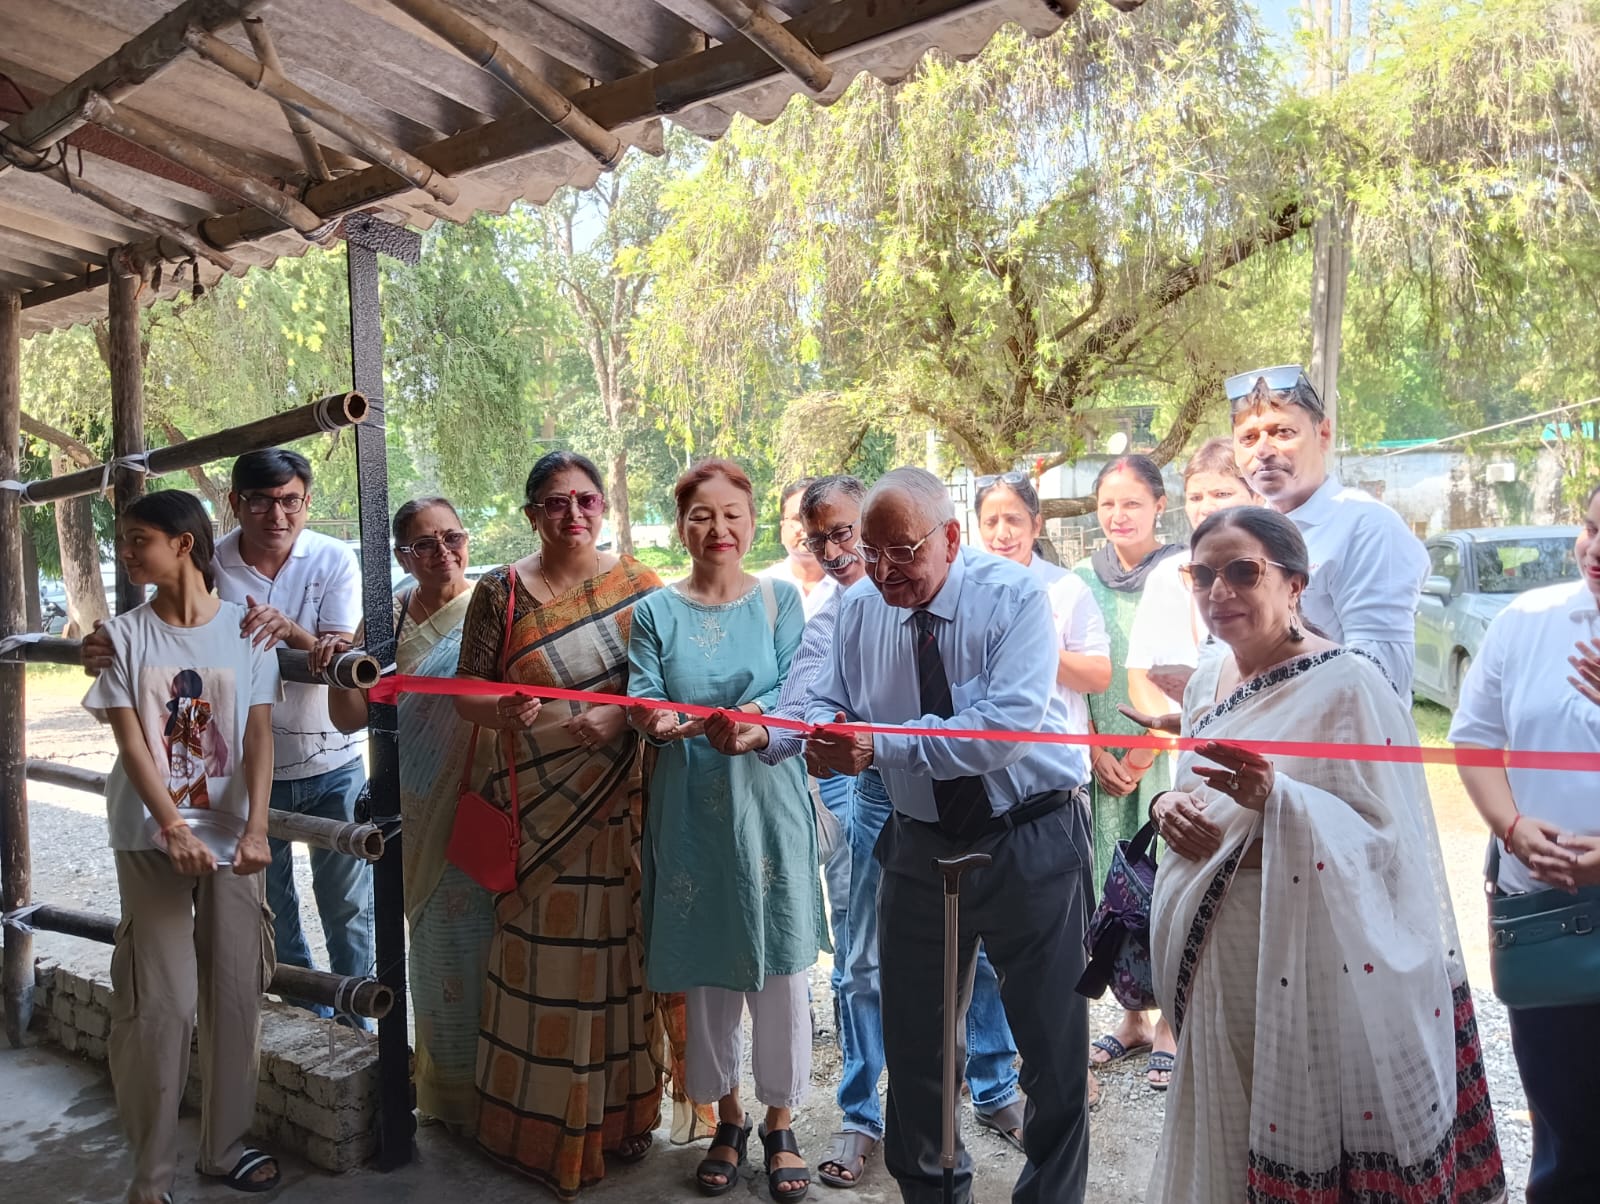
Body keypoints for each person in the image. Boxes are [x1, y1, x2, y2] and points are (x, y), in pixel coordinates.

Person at [1145, 505, 1504, 1204]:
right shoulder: (1206, 676)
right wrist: (1165, 807)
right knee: (1225, 1121)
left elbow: (1388, 837)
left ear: (1296, 585)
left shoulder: (1349, 685)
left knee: (1298, 1115)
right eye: (1203, 575)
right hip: (1215, 949)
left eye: (1243, 571)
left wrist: (1279, 799)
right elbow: (1189, 785)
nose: (1220, 591)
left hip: (1306, 950)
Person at [807, 467, 1094, 1204]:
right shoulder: (860, 609)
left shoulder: (1016, 597)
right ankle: (934, 1193)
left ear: (951, 537)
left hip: (1027, 838)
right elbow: (830, 702)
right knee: (919, 1050)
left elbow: (1000, 731)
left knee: (1053, 1052)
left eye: (902, 550)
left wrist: (879, 745)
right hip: (919, 846)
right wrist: (793, 734)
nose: (883, 569)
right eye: (871, 551)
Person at [84, 447, 374, 1024]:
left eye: (291, 500)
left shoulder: (334, 557)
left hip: (328, 755)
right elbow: (168, 628)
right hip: (239, 777)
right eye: (262, 500)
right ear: (235, 503)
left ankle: (360, 1024)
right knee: (276, 907)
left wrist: (288, 630)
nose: (278, 514)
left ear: (307, 502)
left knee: (347, 903)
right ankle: (306, 1018)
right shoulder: (207, 559)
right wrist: (105, 643)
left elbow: (335, 650)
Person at [447, 452, 667, 1194]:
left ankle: (622, 1118)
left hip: (615, 808)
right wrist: (500, 709)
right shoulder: (500, 593)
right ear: (532, 513)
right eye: (554, 502)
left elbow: (665, 690)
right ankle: (528, 1124)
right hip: (535, 815)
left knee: (617, 961)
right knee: (537, 966)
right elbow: (465, 694)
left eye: (585, 500)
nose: (573, 514)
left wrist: (615, 717)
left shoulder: (638, 587)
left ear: (602, 505)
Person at [627, 458, 824, 1203]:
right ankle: (728, 1117)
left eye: (733, 514)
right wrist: (661, 718)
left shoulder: (780, 600)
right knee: (707, 965)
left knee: (779, 966)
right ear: (681, 525)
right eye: (702, 515)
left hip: (768, 804)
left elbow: (793, 692)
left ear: (751, 522)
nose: (719, 528)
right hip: (689, 808)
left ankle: (780, 1120)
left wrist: (743, 726)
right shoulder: (654, 611)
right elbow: (644, 697)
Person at [83, 491, 283, 1201]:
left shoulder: (248, 632)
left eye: (139, 540)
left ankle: (223, 1148)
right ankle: (151, 1173)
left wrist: (258, 825)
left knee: (236, 992)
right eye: (125, 541)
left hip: (236, 842)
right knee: (158, 1003)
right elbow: (133, 741)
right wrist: (171, 825)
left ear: (185, 544)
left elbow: (258, 734)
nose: (128, 553)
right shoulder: (123, 636)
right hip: (149, 838)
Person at [318, 496, 494, 1133]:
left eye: (453, 537)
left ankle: (500, 1099)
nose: (443, 553)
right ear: (401, 556)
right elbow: (347, 718)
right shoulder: (386, 615)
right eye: (425, 544)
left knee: (489, 953)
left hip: (480, 803)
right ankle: (450, 1100)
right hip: (411, 810)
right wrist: (345, 664)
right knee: (434, 953)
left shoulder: (493, 605)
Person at [1449, 482, 1600, 1202]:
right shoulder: (1529, 621)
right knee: (1565, 1127)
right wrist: (1512, 827)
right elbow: (1474, 740)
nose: (1595, 551)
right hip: (1546, 913)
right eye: (1592, 530)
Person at [973, 469, 1111, 1114]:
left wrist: (1034, 646)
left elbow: (1099, 672)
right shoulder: (965, 589)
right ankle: (993, 1082)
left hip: (1052, 794)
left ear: (1036, 526)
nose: (1002, 532)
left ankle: (1055, 1085)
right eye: (991, 520)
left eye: (1014, 521)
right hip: (983, 796)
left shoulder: (1064, 589)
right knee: (979, 961)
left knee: (1055, 958)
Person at [1071, 454, 1181, 1088]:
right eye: (1108, 504)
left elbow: (1178, 668)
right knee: (1112, 890)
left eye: (1132, 503)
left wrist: (1138, 757)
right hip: (1099, 761)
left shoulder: (1182, 572)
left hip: (1160, 759)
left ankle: (1169, 1021)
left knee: (1164, 882)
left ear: (1159, 506)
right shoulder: (1080, 578)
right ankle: (1132, 1015)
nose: (1119, 515)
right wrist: (1094, 751)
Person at [1227, 364, 1428, 696]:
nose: (1262, 451)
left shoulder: (1368, 527)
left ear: (1323, 434)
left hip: (1341, 742)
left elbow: (1381, 673)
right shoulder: (1240, 534)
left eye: (1282, 432)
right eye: (1248, 438)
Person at [1124, 438, 1258, 726]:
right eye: (1195, 497)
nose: (1206, 508)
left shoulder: (1275, 572)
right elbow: (1140, 675)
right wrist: (1184, 744)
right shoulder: (1167, 575)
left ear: (1257, 497)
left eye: (1221, 493)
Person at [763, 476, 837, 620]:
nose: (807, 528)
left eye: (816, 518)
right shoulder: (761, 588)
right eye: (798, 519)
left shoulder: (849, 587)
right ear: (782, 528)